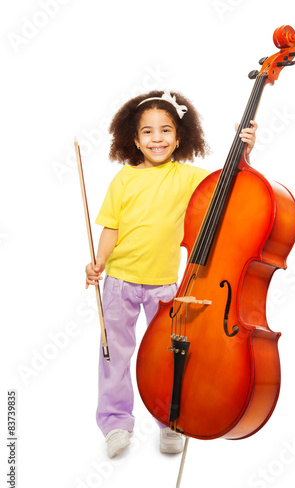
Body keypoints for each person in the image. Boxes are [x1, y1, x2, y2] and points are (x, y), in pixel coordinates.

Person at [85, 89, 257, 458]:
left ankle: (171, 418)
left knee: (170, 356)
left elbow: (228, 185)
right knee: (114, 354)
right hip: (118, 283)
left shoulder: (189, 177)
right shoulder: (124, 180)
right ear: (133, 138)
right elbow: (111, 228)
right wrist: (98, 262)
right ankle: (115, 422)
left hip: (166, 286)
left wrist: (245, 150)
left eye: (165, 130)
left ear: (180, 137)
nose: (157, 138)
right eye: (147, 132)